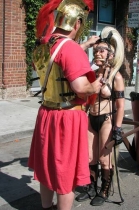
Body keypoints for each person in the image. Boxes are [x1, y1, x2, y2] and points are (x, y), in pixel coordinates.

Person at [28, 0, 103, 209]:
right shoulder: (71, 49)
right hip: (67, 117)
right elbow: (80, 87)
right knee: (65, 174)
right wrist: (94, 86)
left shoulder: (45, 45)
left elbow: (61, 58)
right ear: (77, 23)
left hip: (46, 112)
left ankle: (46, 207)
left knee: (46, 169)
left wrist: (85, 46)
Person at [75, 26, 125, 206]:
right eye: (96, 50)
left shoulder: (116, 77)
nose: (98, 53)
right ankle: (90, 187)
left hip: (107, 119)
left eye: (102, 50)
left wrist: (118, 128)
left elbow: (120, 105)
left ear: (111, 55)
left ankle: (104, 190)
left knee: (105, 159)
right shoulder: (93, 74)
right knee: (89, 157)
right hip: (91, 118)